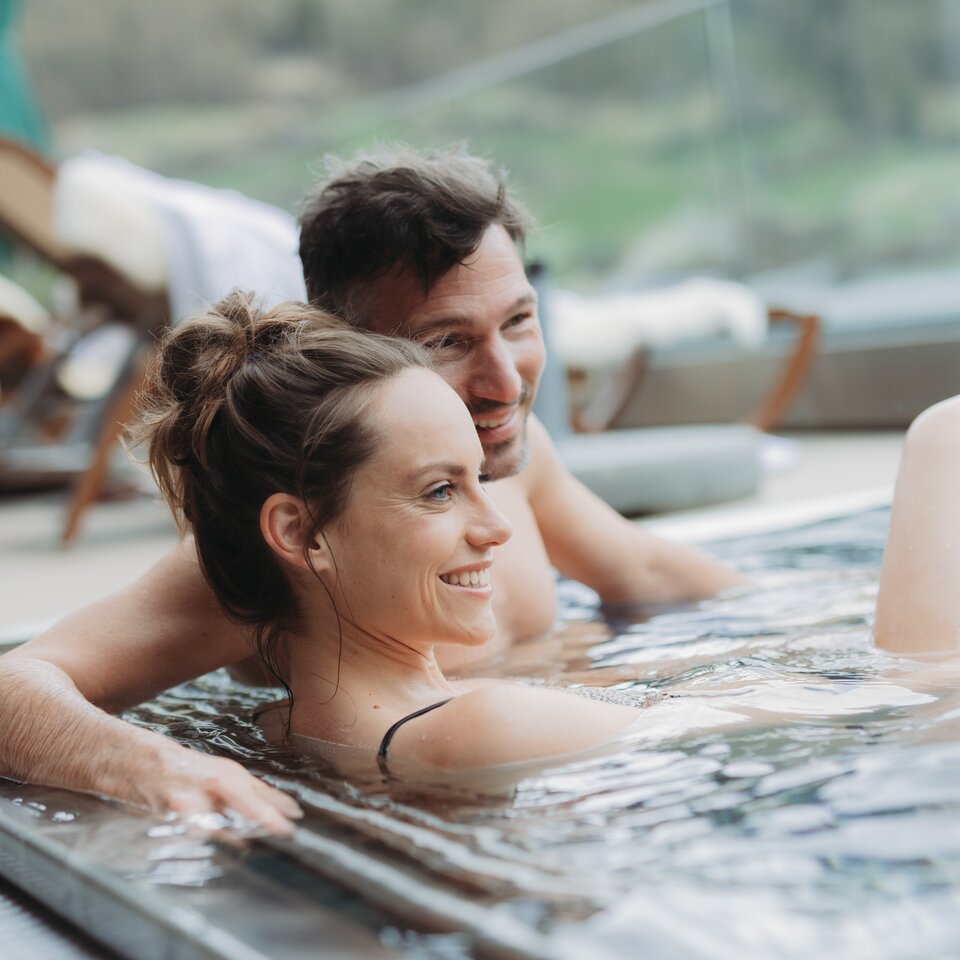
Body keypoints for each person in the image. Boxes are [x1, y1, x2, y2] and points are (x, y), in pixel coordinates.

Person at [0, 145, 839, 826]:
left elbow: (649, 575)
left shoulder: (509, 453)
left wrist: (826, 625)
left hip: (560, 769)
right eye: (447, 341)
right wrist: (152, 762)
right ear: (355, 356)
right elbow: (14, 688)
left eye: (518, 320)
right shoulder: (278, 558)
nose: (506, 383)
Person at [135, 295, 960, 785]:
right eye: (438, 491)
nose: (495, 528)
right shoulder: (480, 726)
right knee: (943, 434)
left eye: (478, 480)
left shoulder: (274, 730)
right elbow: (903, 697)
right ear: (300, 532)